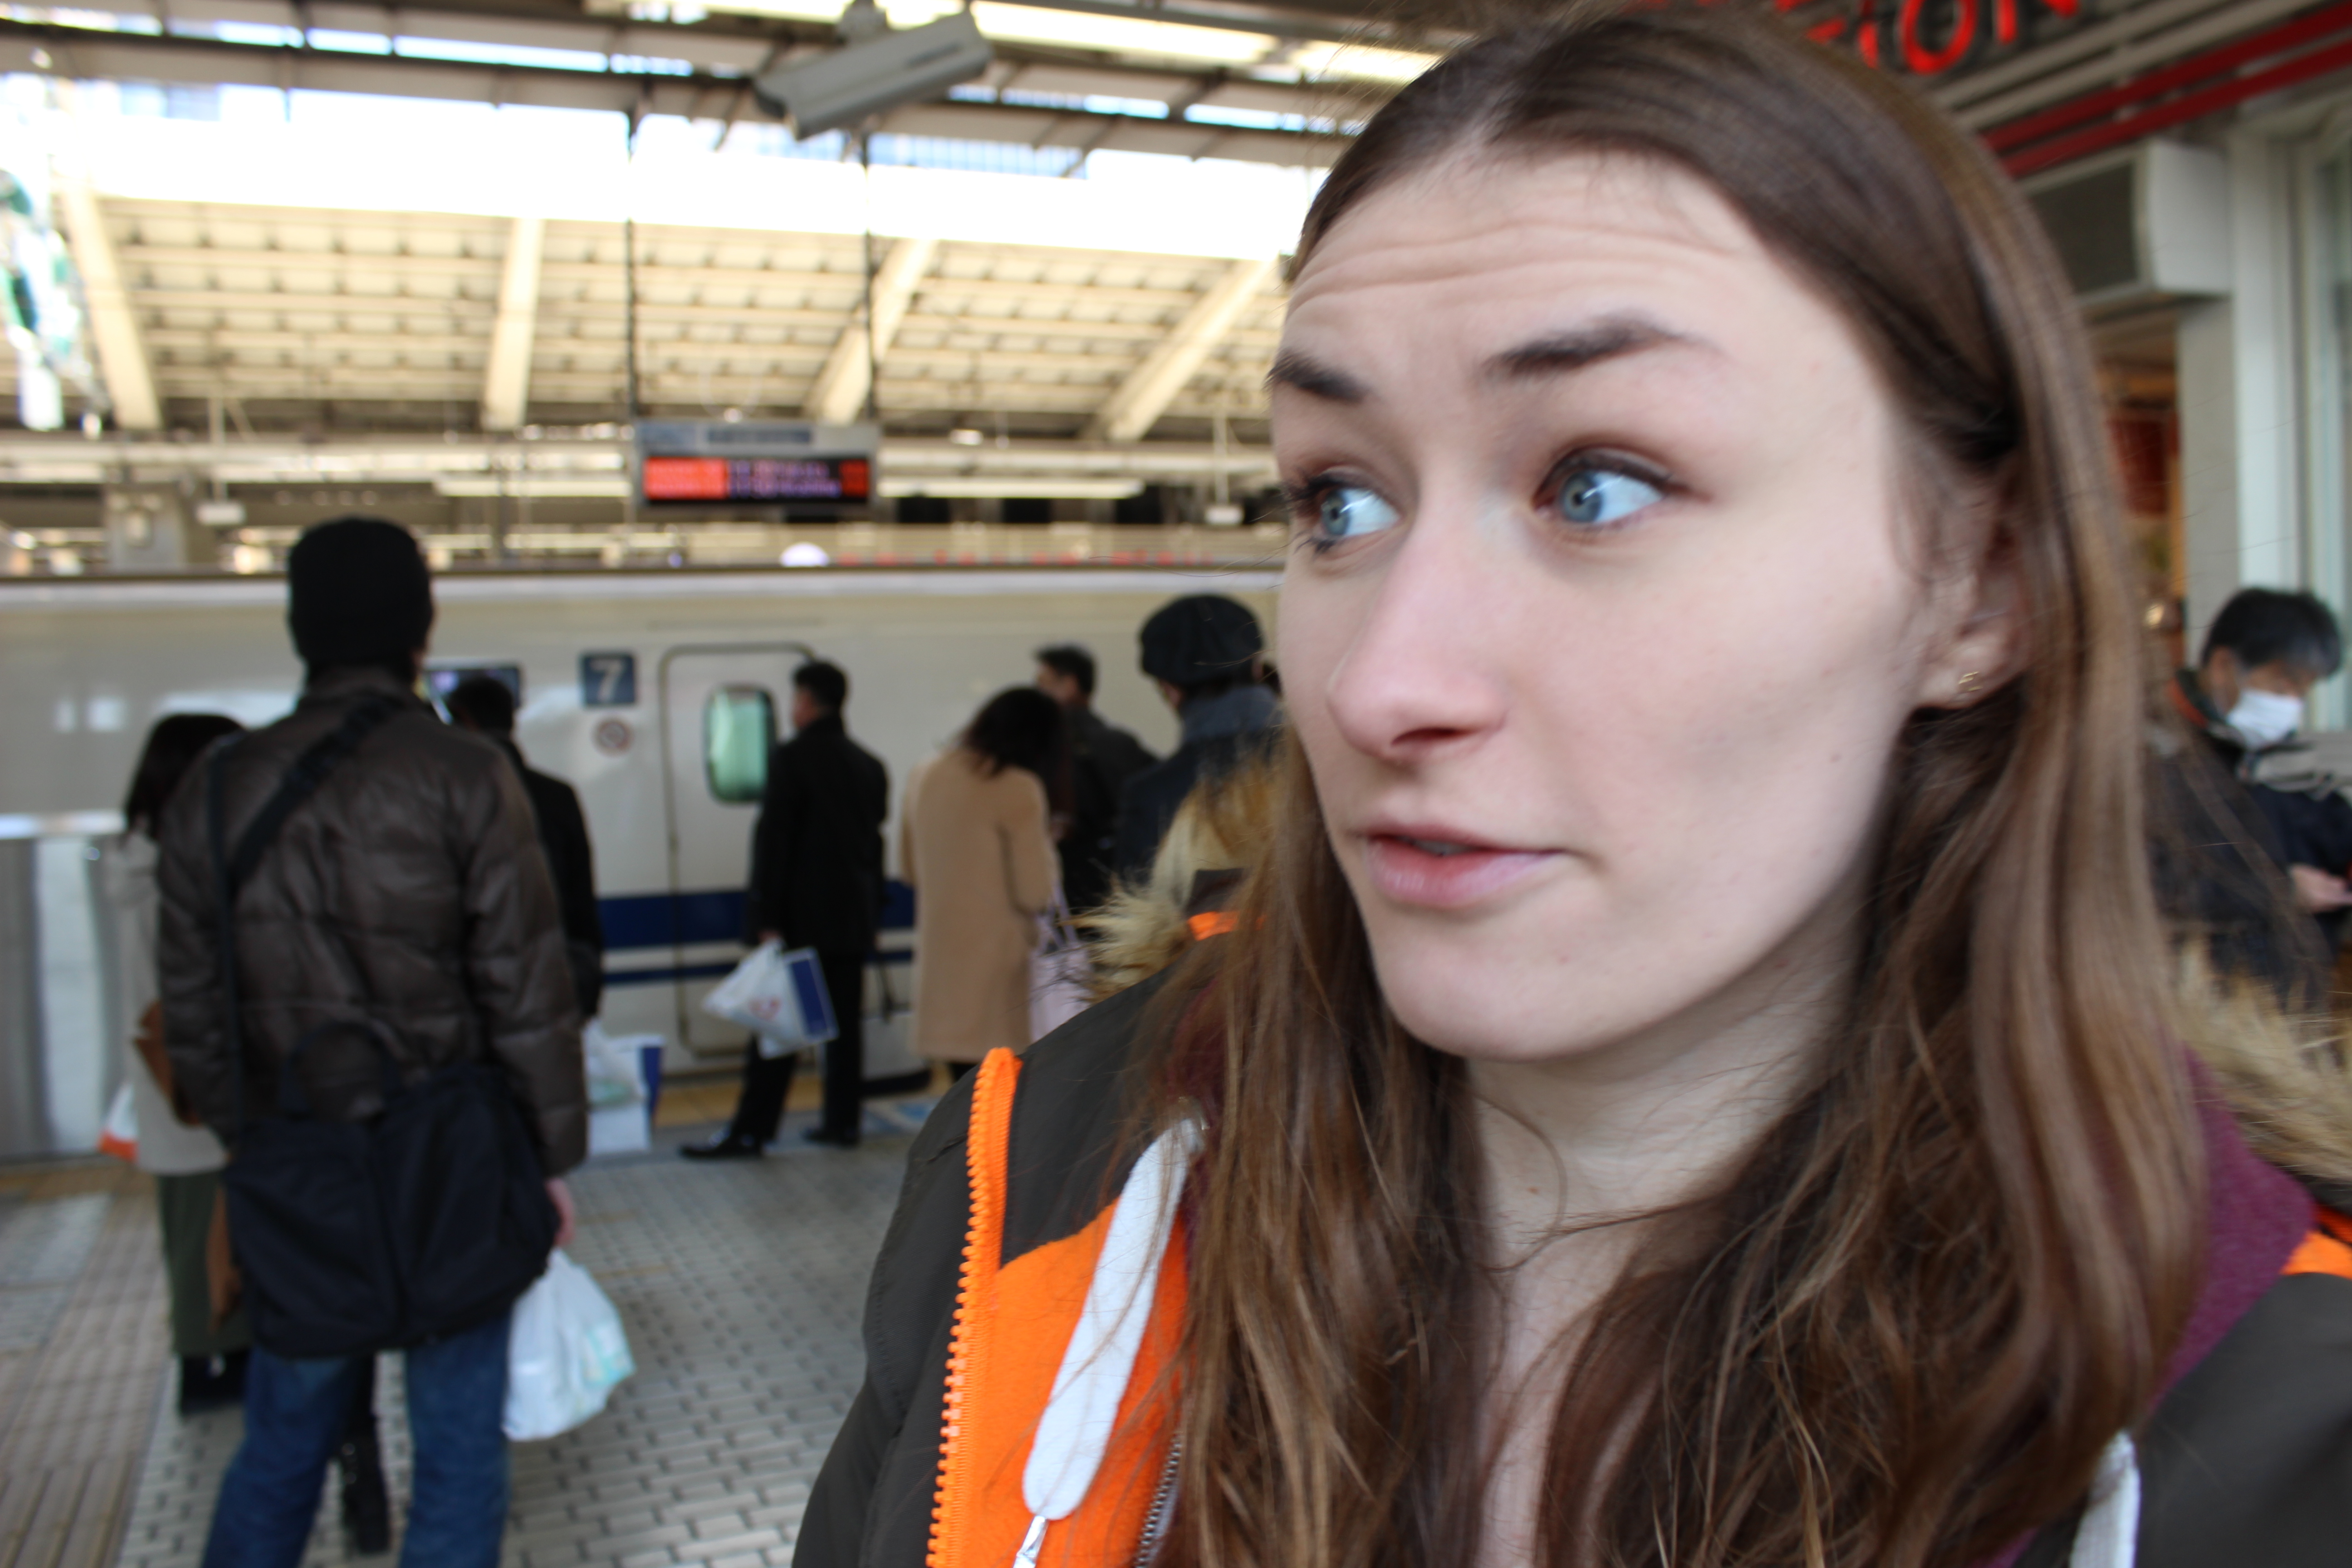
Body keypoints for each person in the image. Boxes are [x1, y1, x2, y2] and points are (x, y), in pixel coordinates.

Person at [796, 15, 2352, 1568]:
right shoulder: (1053, 1172)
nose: (1377, 682)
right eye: (1335, 499)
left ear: (1980, 588)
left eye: (1596, 484)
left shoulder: (2280, 1431)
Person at [156, 516, 584, 1568]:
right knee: (455, 1450)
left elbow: (192, 1006)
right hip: (452, 1159)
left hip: (296, 1166)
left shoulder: (215, 785)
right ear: (419, 627)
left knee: (282, 1444)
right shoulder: (467, 773)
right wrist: (551, 1155)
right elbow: (525, 987)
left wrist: (245, 1132)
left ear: (303, 629)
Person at [103, 713, 253, 1414]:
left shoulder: (137, 858)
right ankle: (216, 1360)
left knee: (190, 1226)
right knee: (214, 1223)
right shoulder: (175, 869)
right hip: (197, 1072)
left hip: (168, 1074)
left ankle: (205, 1357)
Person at [686, 660, 887, 1155]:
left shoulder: (792, 759)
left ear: (805, 701)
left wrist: (765, 919)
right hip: (851, 924)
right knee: (842, 1030)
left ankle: (752, 1129)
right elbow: (872, 847)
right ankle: (843, 1124)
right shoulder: (869, 764)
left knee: (778, 1028)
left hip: (802, 927)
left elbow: (775, 843)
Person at [899, 686, 1063, 1078]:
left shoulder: (925, 773)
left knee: (962, 1093)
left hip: (941, 964)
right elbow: (1034, 892)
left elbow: (908, 870)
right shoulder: (1017, 787)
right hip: (999, 974)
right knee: (1004, 1097)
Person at [444, 673, 606, 1018]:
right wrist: (589, 978)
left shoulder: (450, 801)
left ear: (463, 719)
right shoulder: (557, 795)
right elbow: (581, 901)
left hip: (478, 989)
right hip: (555, 974)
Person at [1109, 594, 1281, 883]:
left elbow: (1136, 914)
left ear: (1169, 690)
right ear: (1257, 666)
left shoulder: (1155, 798)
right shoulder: (1324, 768)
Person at [1035, 642, 1157, 915]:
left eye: (1043, 683)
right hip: (1124, 884)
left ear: (1068, 684)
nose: (1038, 694)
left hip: (1067, 889)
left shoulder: (1042, 749)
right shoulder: (1124, 744)